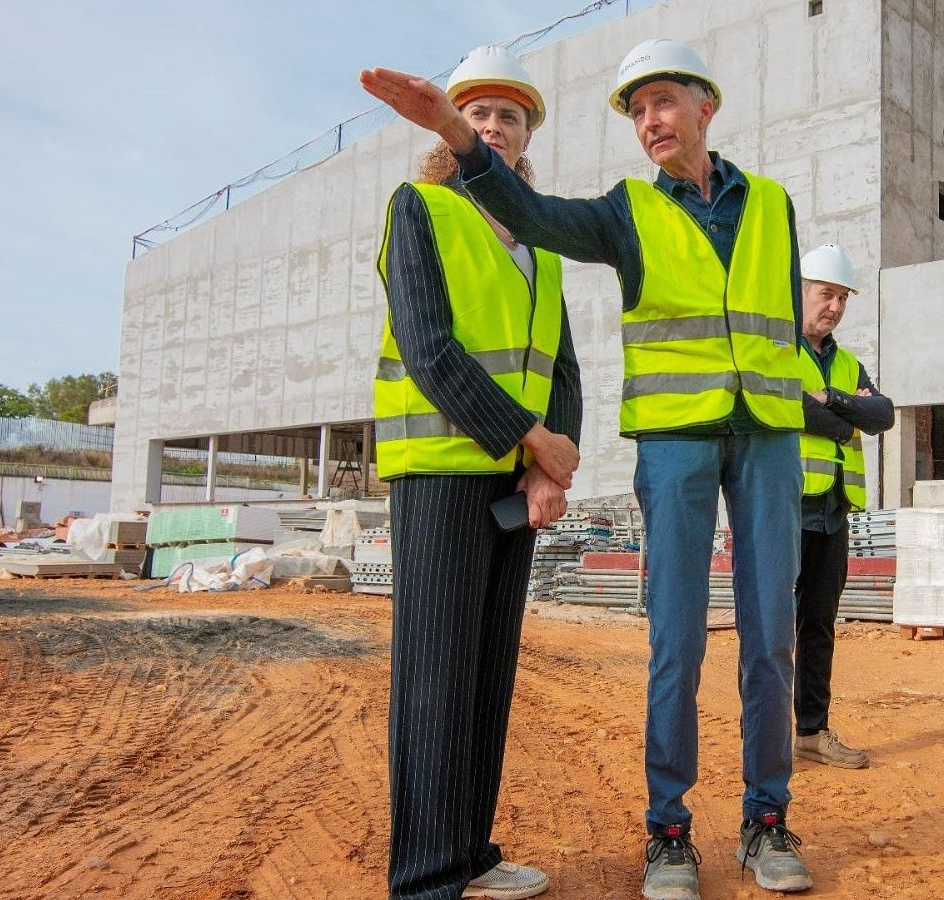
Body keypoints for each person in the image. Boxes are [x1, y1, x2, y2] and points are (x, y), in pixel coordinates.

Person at [363, 37, 812, 899]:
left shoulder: (771, 206)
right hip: (601, 448)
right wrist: (455, 133)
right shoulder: (605, 213)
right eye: (636, 110)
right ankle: (655, 835)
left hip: (753, 438)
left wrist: (545, 463)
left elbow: (567, 361)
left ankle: (765, 819)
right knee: (660, 644)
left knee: (765, 640)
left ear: (706, 106)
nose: (650, 121)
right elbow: (479, 283)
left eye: (662, 102)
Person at [369, 45, 581, 900]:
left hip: (514, 482)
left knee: (488, 675)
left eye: (510, 116)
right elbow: (429, 350)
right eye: (479, 112)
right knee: (434, 679)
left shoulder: (538, 240)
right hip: (439, 473)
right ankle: (426, 879)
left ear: (527, 135)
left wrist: (549, 467)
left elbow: (562, 366)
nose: (494, 126)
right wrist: (532, 438)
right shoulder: (419, 207)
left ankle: (469, 853)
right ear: (450, 124)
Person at [792, 243, 893, 770]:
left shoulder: (849, 362)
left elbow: (884, 415)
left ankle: (811, 732)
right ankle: (762, 739)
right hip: (784, 508)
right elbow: (788, 407)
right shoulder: (777, 348)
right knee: (769, 631)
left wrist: (831, 400)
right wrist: (846, 415)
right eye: (825, 294)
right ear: (800, 290)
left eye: (843, 298)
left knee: (819, 626)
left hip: (833, 513)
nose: (834, 306)